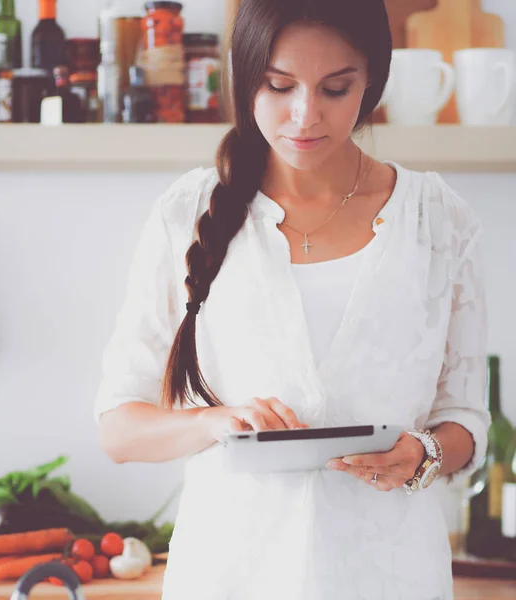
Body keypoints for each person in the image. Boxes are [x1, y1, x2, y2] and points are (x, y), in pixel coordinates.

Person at [95, 1, 491, 598]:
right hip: (231, 573)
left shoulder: (438, 221)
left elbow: (466, 419)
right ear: (244, 76)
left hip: (390, 575)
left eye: (336, 88)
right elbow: (118, 428)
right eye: (279, 86)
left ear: (371, 83)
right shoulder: (187, 214)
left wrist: (425, 452)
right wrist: (215, 423)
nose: (305, 115)